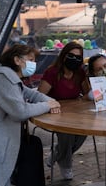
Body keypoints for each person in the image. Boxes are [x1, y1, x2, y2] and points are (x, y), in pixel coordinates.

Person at [0, 44, 61, 186]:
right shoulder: (2, 78)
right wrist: (46, 106)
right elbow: (20, 112)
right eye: (30, 59)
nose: (34, 64)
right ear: (17, 60)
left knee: (33, 144)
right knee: (31, 146)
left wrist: (52, 102)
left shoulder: (10, 77)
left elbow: (32, 94)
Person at [37, 41, 90, 180]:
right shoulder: (52, 72)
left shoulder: (80, 73)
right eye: (71, 55)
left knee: (86, 129)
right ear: (63, 55)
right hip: (55, 113)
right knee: (66, 134)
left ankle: (57, 153)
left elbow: (87, 94)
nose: (75, 59)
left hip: (75, 113)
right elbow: (40, 96)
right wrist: (51, 105)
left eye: (78, 57)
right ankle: (66, 164)